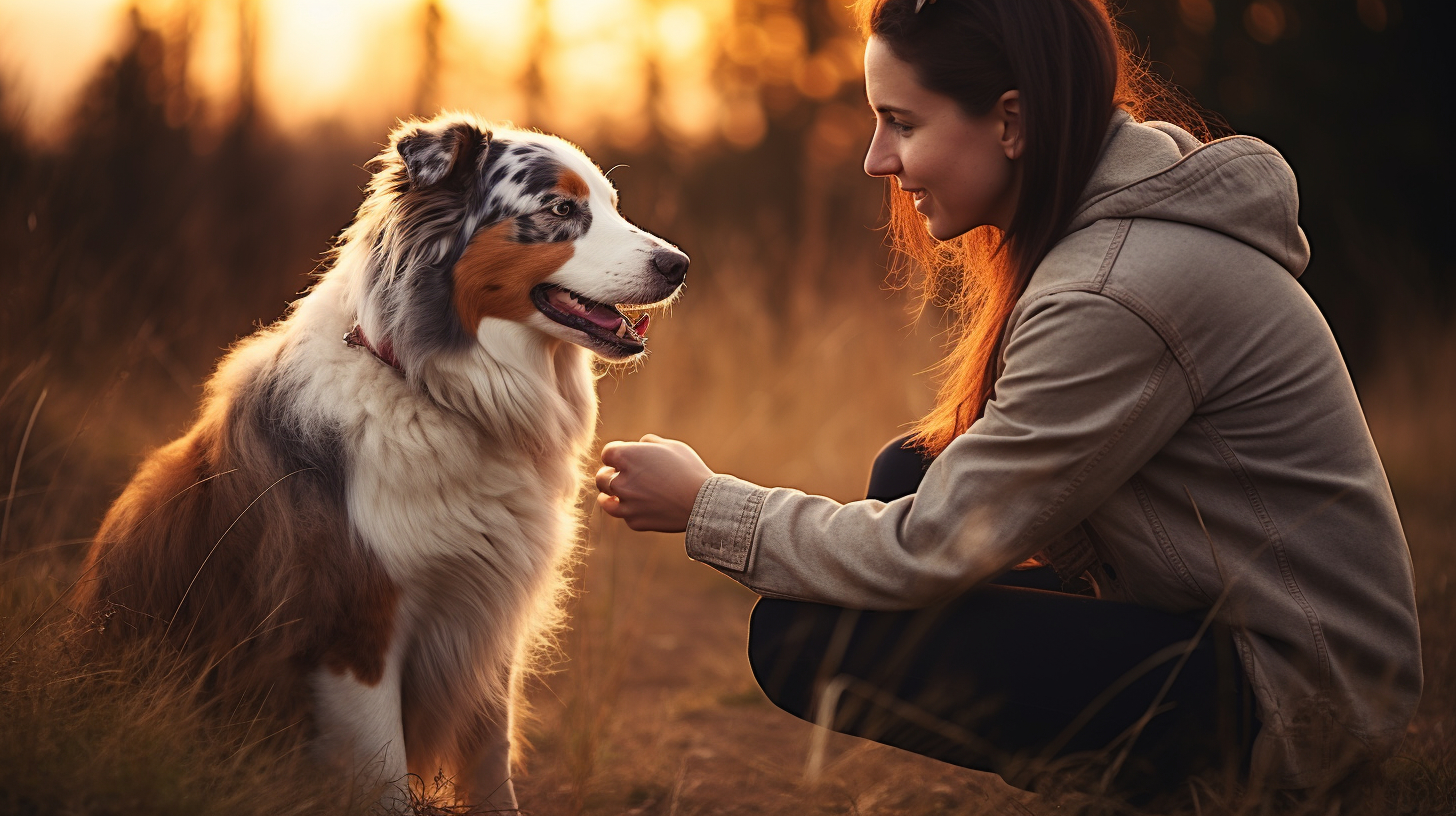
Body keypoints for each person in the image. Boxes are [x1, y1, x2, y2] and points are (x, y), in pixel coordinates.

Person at [594, 0, 1421, 802]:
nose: (877, 159)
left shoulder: (1112, 290)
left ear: (1012, 121)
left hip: (1298, 696)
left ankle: (1192, 781)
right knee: (909, 471)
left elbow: (928, 548)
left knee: (805, 636)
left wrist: (706, 505)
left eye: (904, 123)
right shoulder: (1113, 241)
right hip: (1233, 629)